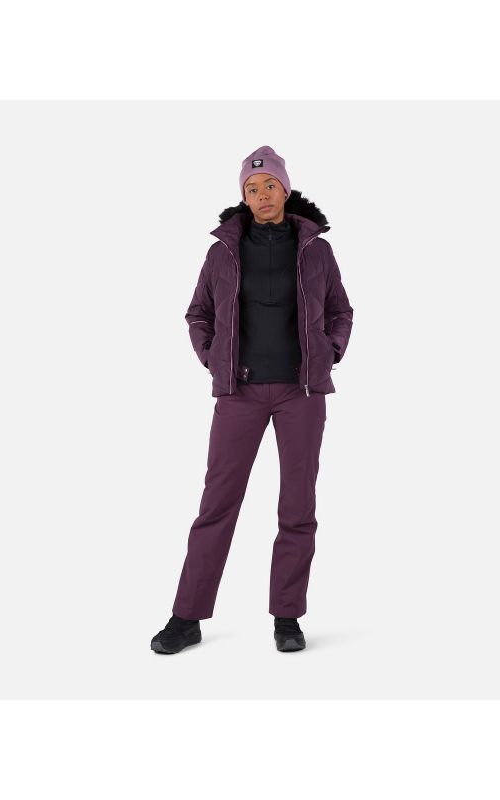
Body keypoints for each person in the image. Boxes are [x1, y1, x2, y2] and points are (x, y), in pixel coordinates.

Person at [150, 145, 354, 654]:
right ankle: (186, 617)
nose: (261, 195)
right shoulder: (223, 252)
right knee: (216, 504)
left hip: (300, 394)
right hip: (239, 393)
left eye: (269, 186)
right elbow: (198, 312)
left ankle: (288, 616)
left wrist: (329, 352)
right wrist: (212, 356)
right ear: (243, 196)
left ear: (285, 189)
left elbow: (340, 310)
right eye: (251, 188)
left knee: (298, 505)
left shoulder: (316, 250)